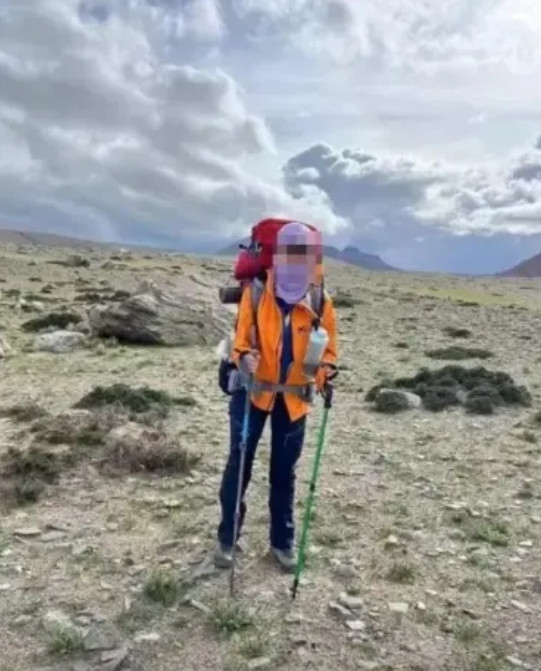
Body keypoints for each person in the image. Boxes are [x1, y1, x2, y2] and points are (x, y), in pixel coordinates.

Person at [214, 221, 338, 572]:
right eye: (290, 256)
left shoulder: (319, 300)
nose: (295, 264)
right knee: (239, 465)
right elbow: (240, 342)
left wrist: (325, 374)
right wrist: (244, 358)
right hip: (252, 392)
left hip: (295, 399)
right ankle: (226, 538)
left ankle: (282, 543)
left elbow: (329, 352)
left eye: (303, 257)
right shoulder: (255, 293)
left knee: (285, 472)